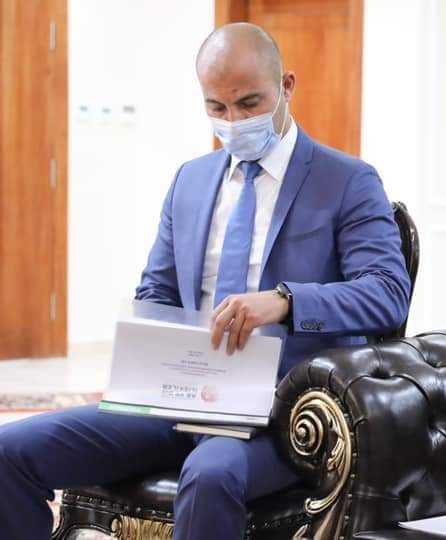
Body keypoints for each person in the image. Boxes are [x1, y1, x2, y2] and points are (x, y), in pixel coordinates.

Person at [0, 23, 410, 539]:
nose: (233, 121)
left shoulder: (347, 181)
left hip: (284, 410)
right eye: (217, 107)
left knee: (211, 475)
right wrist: (146, 353)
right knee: (9, 452)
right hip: (182, 397)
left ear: (286, 86)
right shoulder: (190, 181)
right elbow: (158, 293)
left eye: (249, 103)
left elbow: (387, 292)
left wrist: (285, 301)